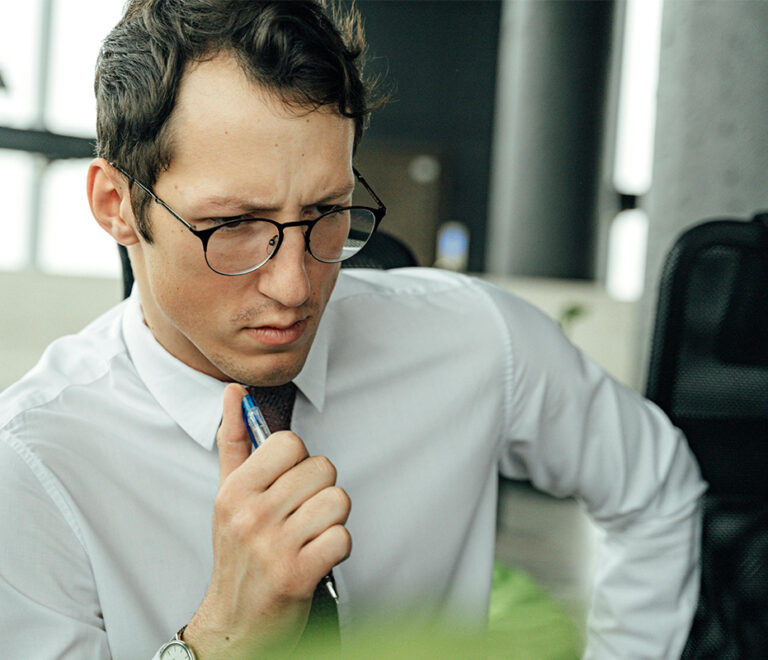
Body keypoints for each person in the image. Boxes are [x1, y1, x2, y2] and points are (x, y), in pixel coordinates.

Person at [0, 1, 705, 658]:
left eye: (326, 213)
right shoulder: (30, 471)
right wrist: (220, 637)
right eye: (235, 226)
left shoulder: (473, 339)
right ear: (116, 204)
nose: (295, 286)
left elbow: (655, 485)